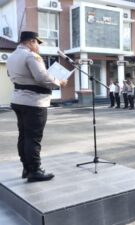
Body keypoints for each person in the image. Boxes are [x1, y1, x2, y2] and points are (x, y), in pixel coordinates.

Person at [7, 31, 68, 182]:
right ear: (31, 42)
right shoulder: (31, 56)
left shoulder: (12, 56)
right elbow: (42, 77)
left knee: (24, 135)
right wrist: (59, 82)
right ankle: (34, 170)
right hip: (33, 102)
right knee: (33, 137)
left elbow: (11, 75)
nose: (38, 47)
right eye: (37, 44)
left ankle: (27, 168)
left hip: (19, 100)